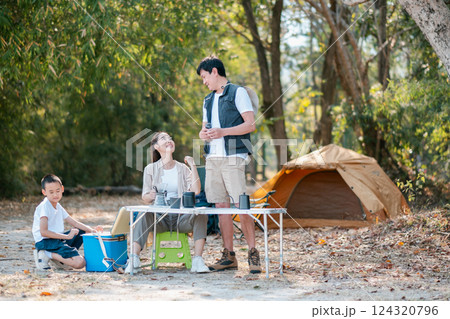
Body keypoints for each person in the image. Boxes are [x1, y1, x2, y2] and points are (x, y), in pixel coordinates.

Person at [197, 55, 261, 273]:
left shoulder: (238, 92)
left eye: (205, 77)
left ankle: (253, 254)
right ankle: (229, 256)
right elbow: (205, 129)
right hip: (212, 159)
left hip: (234, 156)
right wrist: (203, 133)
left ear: (215, 72)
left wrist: (223, 132)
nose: (204, 82)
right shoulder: (207, 100)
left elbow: (250, 125)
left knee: (240, 205)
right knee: (220, 206)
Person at [125, 131, 210, 273]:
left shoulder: (182, 168)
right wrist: (150, 195)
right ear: (157, 146)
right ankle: (134, 259)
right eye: (164, 138)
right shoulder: (150, 169)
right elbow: (144, 197)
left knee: (201, 214)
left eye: (170, 138)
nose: (169, 140)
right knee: (143, 213)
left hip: (181, 219)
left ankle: (197, 261)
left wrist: (192, 165)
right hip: (160, 219)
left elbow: (196, 190)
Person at [32, 174, 103, 271]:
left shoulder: (58, 206)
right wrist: (67, 236)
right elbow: (43, 232)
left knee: (83, 231)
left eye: (57, 191)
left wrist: (92, 230)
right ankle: (46, 254)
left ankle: (61, 260)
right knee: (80, 263)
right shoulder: (45, 206)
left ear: (62, 189)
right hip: (45, 241)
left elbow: (75, 223)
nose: (55, 195)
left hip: (57, 239)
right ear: (44, 192)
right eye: (51, 192)